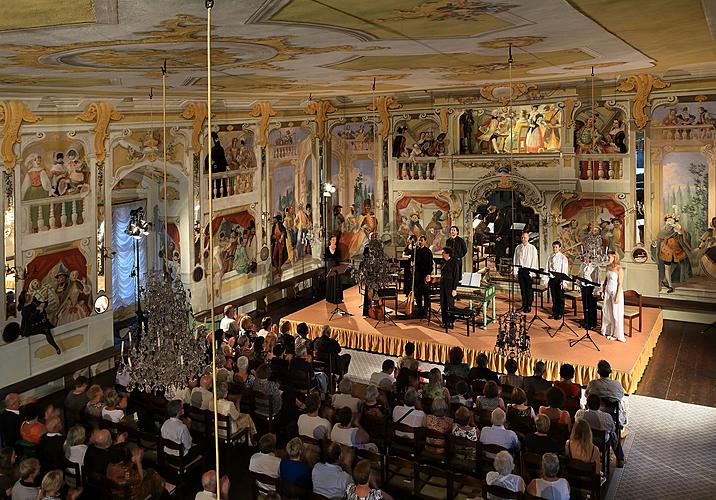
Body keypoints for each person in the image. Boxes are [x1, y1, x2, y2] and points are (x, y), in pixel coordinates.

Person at [576, 394, 625, 467]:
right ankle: (620, 458)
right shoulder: (606, 417)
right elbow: (612, 429)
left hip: (584, 440)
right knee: (613, 434)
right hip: (601, 443)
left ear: (587, 404)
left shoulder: (580, 415)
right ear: (600, 405)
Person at [106, 445, 173, 498]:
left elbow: (125, 468)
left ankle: (166, 485)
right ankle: (165, 488)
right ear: (122, 460)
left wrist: (133, 461)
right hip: (131, 494)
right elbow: (140, 478)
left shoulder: (110, 465)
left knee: (149, 471)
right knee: (152, 474)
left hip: (118, 491)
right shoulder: (126, 471)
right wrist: (138, 461)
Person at [586, 360, 627, 426]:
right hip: (612, 411)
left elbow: (587, 395)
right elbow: (621, 395)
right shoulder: (617, 384)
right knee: (624, 403)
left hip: (595, 410)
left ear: (598, 372)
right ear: (610, 372)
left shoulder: (593, 384)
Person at [601, 250, 625, 342]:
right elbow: (605, 281)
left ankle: (616, 334)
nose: (608, 259)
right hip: (608, 291)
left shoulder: (619, 269)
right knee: (608, 312)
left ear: (614, 258)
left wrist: (618, 296)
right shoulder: (607, 267)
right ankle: (610, 331)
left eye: (609, 257)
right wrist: (603, 291)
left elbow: (620, 284)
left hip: (616, 292)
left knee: (616, 314)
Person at [513, 231, 538, 313]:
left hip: (528, 271)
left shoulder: (532, 248)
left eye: (525, 237)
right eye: (522, 237)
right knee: (522, 289)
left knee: (529, 289)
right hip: (520, 270)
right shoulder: (518, 247)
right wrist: (515, 271)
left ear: (528, 238)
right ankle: (524, 305)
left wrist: (532, 273)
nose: (523, 239)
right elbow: (515, 260)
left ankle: (529, 306)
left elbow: (534, 261)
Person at [545, 241, 569, 320]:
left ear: (559, 248)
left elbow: (564, 271)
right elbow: (547, 268)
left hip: (559, 280)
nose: (554, 248)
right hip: (552, 279)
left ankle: (560, 313)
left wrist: (563, 282)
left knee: (560, 297)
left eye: (556, 247)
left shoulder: (563, 258)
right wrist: (546, 280)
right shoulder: (550, 257)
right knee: (554, 297)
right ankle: (554, 312)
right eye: (553, 247)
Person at [438, 247, 460, 329]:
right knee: (443, 303)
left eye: (443, 252)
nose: (442, 254)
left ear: (447, 254)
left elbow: (456, 276)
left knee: (450, 304)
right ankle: (444, 322)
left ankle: (451, 322)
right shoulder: (442, 261)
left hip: (450, 286)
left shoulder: (454, 262)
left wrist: (454, 289)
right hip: (443, 285)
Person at [579, 253, 601, 330]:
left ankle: (592, 323)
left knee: (591, 306)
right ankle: (586, 321)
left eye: (586, 256)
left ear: (590, 258)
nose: (585, 258)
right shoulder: (582, 265)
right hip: (584, 287)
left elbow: (597, 279)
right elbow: (580, 275)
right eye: (584, 256)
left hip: (591, 288)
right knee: (585, 305)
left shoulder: (595, 267)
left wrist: (596, 290)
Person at [414, 235, 433, 317]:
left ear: (425, 241)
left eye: (421, 240)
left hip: (425, 274)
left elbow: (430, 264)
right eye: (419, 240)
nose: (420, 242)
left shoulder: (428, 251)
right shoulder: (416, 251)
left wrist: (428, 274)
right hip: (417, 274)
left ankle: (425, 311)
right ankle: (419, 309)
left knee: (425, 293)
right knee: (417, 293)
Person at [205, 131, 228, 197]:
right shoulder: (212, 150)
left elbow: (223, 158)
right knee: (215, 183)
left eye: (217, 139)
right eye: (215, 139)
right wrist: (210, 164)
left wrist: (226, 165)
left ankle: (222, 194)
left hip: (221, 168)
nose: (217, 141)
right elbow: (207, 159)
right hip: (215, 169)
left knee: (221, 182)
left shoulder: (221, 149)